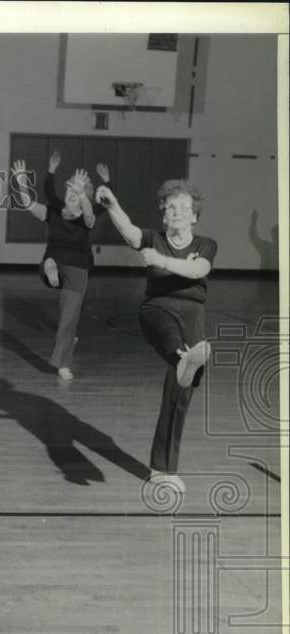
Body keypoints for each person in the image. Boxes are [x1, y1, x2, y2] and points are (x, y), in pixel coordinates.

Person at [97, 180, 215, 493]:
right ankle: (182, 358)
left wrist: (162, 261)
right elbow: (130, 232)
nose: (177, 212)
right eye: (171, 207)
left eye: (184, 208)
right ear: (164, 215)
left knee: (180, 395)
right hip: (158, 310)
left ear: (194, 217)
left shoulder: (205, 244)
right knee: (175, 348)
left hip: (194, 317)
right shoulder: (154, 238)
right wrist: (112, 206)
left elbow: (197, 270)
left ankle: (162, 470)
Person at [10, 152, 111, 380]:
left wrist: (82, 193)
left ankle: (62, 364)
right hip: (54, 262)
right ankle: (50, 268)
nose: (71, 196)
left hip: (77, 269)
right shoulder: (53, 212)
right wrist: (21, 182)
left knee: (69, 318)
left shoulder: (87, 216)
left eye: (76, 194)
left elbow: (88, 218)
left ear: (84, 197)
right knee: (50, 267)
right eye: (68, 192)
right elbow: (28, 205)